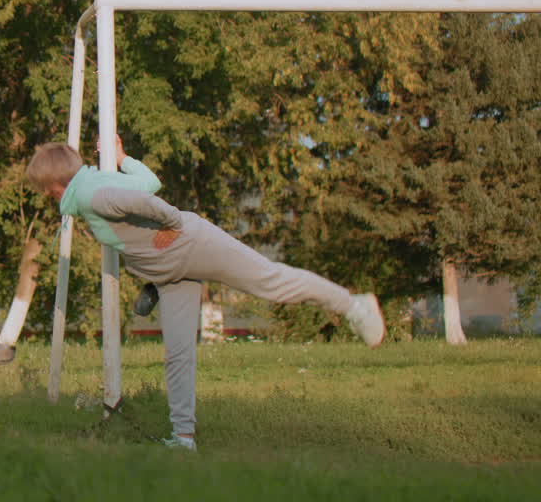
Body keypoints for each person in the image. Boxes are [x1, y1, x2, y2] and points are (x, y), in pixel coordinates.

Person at [25, 138, 385, 451]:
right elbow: (148, 182)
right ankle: (183, 438)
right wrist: (123, 160)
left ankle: (354, 306)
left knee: (271, 281)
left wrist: (173, 223)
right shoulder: (94, 185)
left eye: (44, 187)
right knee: (178, 352)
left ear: (56, 182)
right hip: (172, 272)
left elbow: (149, 202)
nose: (45, 194)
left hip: (193, 246)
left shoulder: (92, 193)